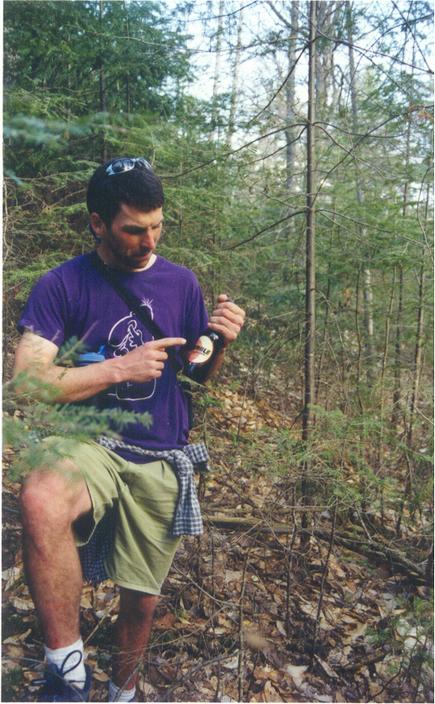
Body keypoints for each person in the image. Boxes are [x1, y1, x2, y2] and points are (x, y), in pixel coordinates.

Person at [13, 157, 245, 702]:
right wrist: (118, 367)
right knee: (42, 494)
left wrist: (220, 345)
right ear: (98, 223)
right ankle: (66, 671)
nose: (148, 240)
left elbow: (193, 379)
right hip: (89, 443)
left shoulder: (181, 282)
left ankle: (124, 690)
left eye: (157, 226)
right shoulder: (62, 284)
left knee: (140, 600)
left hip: (160, 453)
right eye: (134, 230)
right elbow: (27, 382)